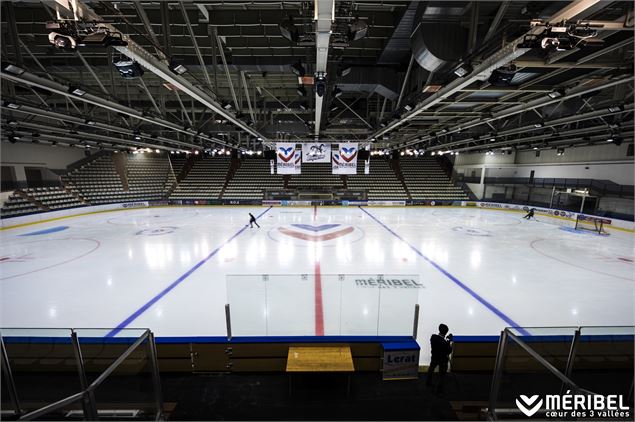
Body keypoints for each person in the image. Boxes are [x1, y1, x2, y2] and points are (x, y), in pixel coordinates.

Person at [426, 323, 453, 395]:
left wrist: (446, 341)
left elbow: (440, 342)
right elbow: (449, 351)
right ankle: (439, 390)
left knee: (431, 368)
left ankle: (428, 381)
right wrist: (449, 341)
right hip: (443, 360)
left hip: (434, 357)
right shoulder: (444, 343)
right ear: (446, 332)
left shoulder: (433, 337)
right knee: (442, 375)